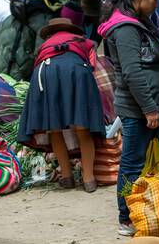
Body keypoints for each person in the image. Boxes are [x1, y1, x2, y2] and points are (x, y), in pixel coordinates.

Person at [99, 0, 159, 236]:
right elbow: (131, 72)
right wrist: (149, 108)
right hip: (138, 108)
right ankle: (126, 216)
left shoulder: (138, 22)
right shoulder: (126, 29)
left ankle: (144, 208)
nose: (156, 3)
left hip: (145, 106)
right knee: (131, 164)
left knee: (146, 163)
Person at [18, 16, 107, 193]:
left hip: (45, 73)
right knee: (82, 128)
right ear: (72, 31)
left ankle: (67, 177)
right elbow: (93, 66)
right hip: (76, 71)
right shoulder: (84, 42)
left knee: (55, 129)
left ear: (49, 34)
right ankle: (89, 179)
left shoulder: (44, 46)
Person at [0, 0, 68, 82]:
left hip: (1, 75)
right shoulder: (43, 20)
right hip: (23, 78)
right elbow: (41, 52)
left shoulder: (9, 19)